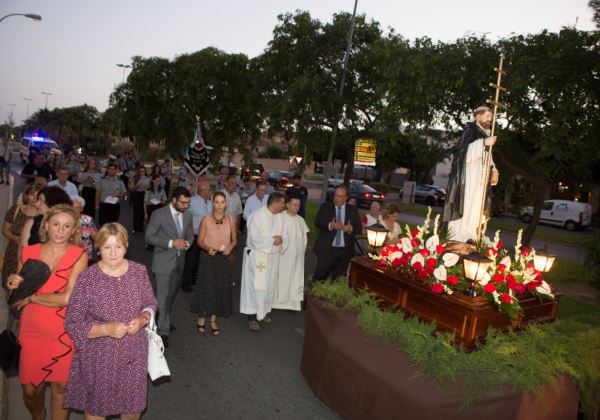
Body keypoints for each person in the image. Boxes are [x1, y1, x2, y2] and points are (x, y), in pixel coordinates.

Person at [63, 223, 157, 419]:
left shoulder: (139, 271)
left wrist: (142, 319)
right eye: (107, 247)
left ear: (126, 246)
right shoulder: (87, 278)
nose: (113, 253)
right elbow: (72, 323)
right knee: (97, 409)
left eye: (118, 246)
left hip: (134, 354)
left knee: (132, 409)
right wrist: (105, 329)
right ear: (98, 247)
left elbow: (150, 302)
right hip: (99, 358)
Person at [6, 204, 88, 420]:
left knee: (61, 387)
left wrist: (32, 298)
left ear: (74, 230)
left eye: (67, 226)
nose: (60, 231)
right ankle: (38, 416)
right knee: (30, 390)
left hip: (63, 331)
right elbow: (14, 302)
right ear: (46, 226)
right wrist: (13, 285)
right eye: (56, 225)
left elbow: (69, 298)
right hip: (32, 330)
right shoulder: (29, 252)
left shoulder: (79, 256)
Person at [144, 186, 194, 347]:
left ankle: (162, 318)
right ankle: (163, 331)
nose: (185, 205)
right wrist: (171, 243)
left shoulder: (188, 215)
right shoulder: (159, 214)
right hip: (163, 263)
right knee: (163, 298)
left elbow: (190, 235)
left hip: (179, 263)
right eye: (182, 202)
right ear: (173, 199)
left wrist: (186, 243)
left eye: (187, 203)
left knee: (170, 297)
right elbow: (149, 236)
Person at [443, 106, 499, 243]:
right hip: (469, 177)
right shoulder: (470, 131)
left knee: (477, 205)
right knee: (467, 203)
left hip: (481, 179)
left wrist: (494, 168)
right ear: (477, 116)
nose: (489, 120)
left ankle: (471, 233)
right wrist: (483, 143)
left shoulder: (486, 133)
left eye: (490, 118)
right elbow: (463, 153)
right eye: (486, 116)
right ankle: (459, 234)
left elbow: (488, 156)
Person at [240, 192, 288, 331]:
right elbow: (255, 238)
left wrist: (282, 239)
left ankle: (263, 311)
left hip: (273, 258)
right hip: (259, 257)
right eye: (282, 203)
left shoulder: (280, 217)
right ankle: (252, 317)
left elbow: (285, 234)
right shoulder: (257, 216)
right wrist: (274, 240)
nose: (283, 205)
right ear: (276, 203)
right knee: (256, 287)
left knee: (269, 286)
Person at [192, 191, 237, 335]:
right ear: (212, 204)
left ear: (226, 204)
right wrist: (207, 247)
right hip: (208, 257)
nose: (219, 205)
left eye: (222, 202)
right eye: (216, 202)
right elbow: (199, 241)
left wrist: (230, 247)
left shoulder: (231, 220)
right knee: (207, 288)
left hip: (223, 259)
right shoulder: (206, 219)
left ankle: (213, 319)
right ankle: (201, 318)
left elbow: (234, 239)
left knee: (219, 289)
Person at [313, 185, 362, 281]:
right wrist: (331, 226)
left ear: (346, 198)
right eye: (335, 195)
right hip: (327, 250)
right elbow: (318, 222)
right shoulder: (326, 207)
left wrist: (350, 228)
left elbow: (359, 228)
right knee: (319, 278)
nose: (336, 198)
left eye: (340, 196)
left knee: (337, 280)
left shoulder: (352, 210)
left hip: (344, 252)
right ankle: (313, 295)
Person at [273, 196, 309, 311]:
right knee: (281, 277)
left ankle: (292, 304)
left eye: (298, 205)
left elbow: (304, 239)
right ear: (288, 205)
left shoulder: (301, 220)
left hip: (297, 257)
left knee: (295, 278)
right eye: (294, 204)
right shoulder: (280, 217)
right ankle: (276, 302)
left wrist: (301, 252)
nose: (296, 207)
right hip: (283, 256)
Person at [2, 185, 38, 287]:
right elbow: (4, 230)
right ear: (26, 196)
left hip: (32, 255)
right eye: (32, 194)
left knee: (26, 286)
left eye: (38, 196)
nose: (35, 198)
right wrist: (17, 239)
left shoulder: (42, 215)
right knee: (10, 283)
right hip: (13, 253)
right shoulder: (16, 209)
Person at [181, 180, 212, 293]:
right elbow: (185, 217)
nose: (210, 191)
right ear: (203, 191)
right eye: (208, 190)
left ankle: (194, 280)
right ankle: (186, 282)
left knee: (199, 260)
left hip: (205, 237)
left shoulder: (209, 202)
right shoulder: (193, 202)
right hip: (193, 236)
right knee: (191, 260)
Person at [95, 163, 127, 227]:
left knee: (113, 225)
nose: (112, 171)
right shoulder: (102, 181)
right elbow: (98, 193)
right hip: (104, 206)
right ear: (107, 170)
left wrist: (119, 194)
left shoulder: (120, 182)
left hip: (115, 206)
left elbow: (125, 196)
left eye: (114, 169)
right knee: (103, 225)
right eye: (110, 169)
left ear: (116, 171)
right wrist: (97, 205)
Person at [72, 196, 98, 262]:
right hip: (69, 252)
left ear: (82, 209)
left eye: (77, 208)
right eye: (72, 207)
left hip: (85, 253)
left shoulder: (88, 219)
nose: (74, 210)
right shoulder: (65, 220)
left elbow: (95, 235)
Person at [129, 165, 150, 234]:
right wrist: (137, 185)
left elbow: (150, 187)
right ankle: (134, 228)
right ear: (138, 172)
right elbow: (131, 189)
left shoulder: (147, 178)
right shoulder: (135, 178)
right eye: (140, 171)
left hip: (145, 195)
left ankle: (140, 227)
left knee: (142, 212)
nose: (142, 173)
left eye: (143, 171)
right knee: (136, 212)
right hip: (137, 195)